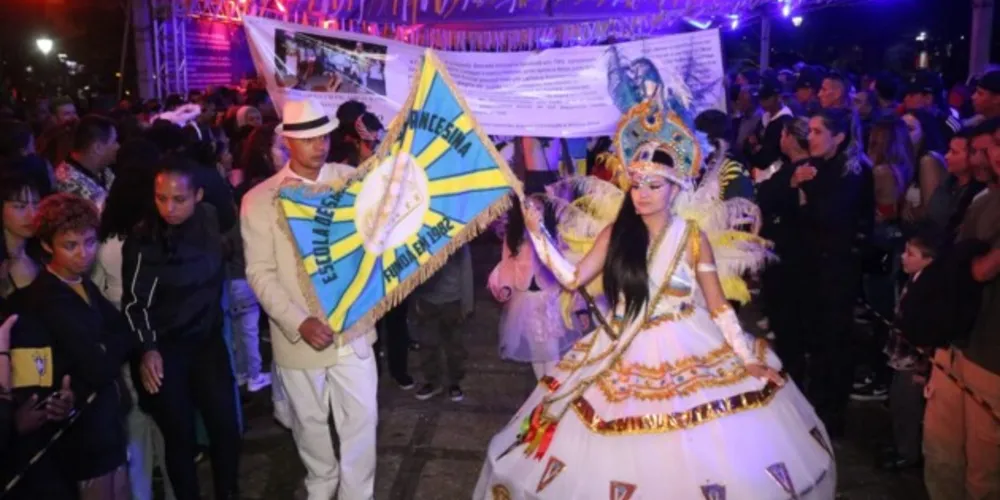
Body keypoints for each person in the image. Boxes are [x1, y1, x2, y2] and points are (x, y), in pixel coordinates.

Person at [475, 101, 834, 499]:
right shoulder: (616, 232)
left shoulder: (692, 237)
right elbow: (572, 278)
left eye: (654, 185)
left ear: (675, 187)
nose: (642, 194)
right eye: (637, 184)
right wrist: (538, 235)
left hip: (689, 343)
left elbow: (717, 306)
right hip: (622, 341)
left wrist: (748, 359)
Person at [241, 98, 378, 499]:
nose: (319, 145)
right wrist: (299, 321)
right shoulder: (260, 200)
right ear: (286, 141)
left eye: (324, 136)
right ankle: (321, 484)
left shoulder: (349, 179)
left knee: (363, 420)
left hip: (352, 330)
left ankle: (357, 494)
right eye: (308, 139)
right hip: (298, 337)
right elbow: (259, 272)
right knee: (310, 423)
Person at [122, 156, 242, 500]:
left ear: (198, 195)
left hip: (206, 343)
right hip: (166, 349)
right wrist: (148, 348)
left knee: (226, 427)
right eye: (161, 198)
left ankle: (228, 492)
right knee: (180, 437)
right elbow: (134, 302)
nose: (169, 208)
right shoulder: (145, 238)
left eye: (179, 199)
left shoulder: (208, 219)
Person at [14, 193, 133, 499]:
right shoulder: (45, 300)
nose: (84, 253)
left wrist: (107, 347)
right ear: (46, 245)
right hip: (84, 439)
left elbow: (123, 332)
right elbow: (96, 365)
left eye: (90, 242)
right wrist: (107, 350)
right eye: (71, 245)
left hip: (107, 425)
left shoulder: (80, 282)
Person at [489, 196, 580, 380]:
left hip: (549, 298)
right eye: (528, 208)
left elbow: (566, 268)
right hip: (525, 300)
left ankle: (552, 392)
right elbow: (507, 265)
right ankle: (541, 391)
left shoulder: (553, 235)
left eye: (538, 208)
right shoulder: (513, 236)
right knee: (535, 351)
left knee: (551, 349)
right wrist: (505, 287)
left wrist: (579, 307)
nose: (533, 212)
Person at [53, 115, 119, 212]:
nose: (117, 146)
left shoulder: (103, 170)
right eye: (114, 141)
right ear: (98, 148)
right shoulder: (69, 183)